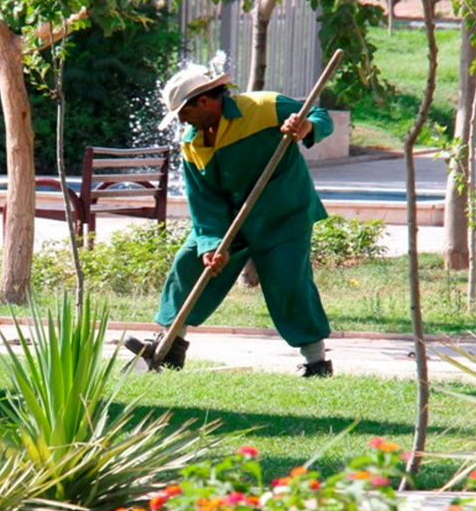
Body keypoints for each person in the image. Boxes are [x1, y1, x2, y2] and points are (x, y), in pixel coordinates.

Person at [129, 66, 336, 377]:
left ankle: (316, 362)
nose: (182, 121)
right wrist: (210, 245)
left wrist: (305, 126)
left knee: (288, 282)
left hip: (283, 214)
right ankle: (170, 345)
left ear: (204, 102)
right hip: (230, 219)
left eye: (184, 113)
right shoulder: (192, 143)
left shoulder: (264, 107)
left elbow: (322, 117)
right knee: (188, 264)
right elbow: (204, 200)